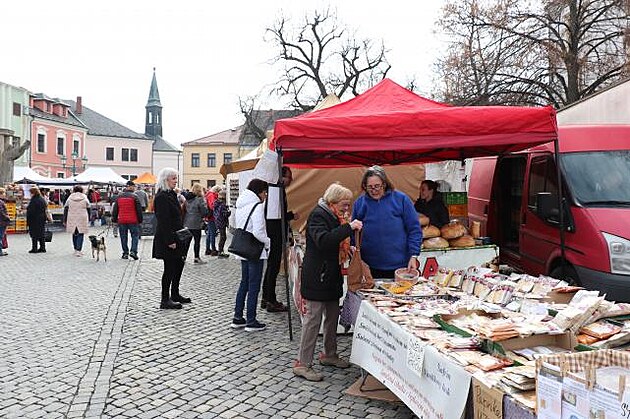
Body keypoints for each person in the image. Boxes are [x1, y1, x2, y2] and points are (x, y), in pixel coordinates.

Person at [293, 183, 363, 382]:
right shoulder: (318, 215)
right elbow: (323, 240)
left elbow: (335, 240)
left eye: (348, 205)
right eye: (344, 204)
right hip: (317, 276)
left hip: (330, 275)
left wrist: (346, 246)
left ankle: (329, 354)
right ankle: (302, 363)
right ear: (332, 201)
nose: (346, 209)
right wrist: (348, 228)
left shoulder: (334, 215)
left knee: (332, 316)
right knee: (313, 320)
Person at [352, 165, 422, 278]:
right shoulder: (360, 203)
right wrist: (354, 252)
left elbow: (414, 229)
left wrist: (413, 256)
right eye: (370, 187)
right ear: (364, 186)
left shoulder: (401, 199)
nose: (374, 190)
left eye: (377, 186)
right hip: (369, 265)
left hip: (400, 265)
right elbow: (353, 233)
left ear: (384, 184)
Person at [231, 179, 270, 332]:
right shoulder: (257, 206)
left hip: (243, 248)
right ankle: (251, 321)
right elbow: (258, 232)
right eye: (264, 192)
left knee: (244, 283)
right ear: (259, 191)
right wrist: (268, 243)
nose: (265, 196)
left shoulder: (241, 203)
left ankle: (238, 317)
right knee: (254, 286)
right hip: (254, 250)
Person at [152, 168, 191, 310]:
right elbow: (163, 220)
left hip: (177, 235)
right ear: (165, 179)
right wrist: (170, 241)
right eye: (173, 178)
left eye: (176, 178)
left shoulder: (171, 194)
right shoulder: (162, 196)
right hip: (168, 238)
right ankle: (164, 299)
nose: (176, 181)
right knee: (169, 269)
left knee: (178, 266)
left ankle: (175, 294)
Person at [262, 166, 299, 313]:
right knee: (273, 267)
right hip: (274, 235)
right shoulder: (275, 190)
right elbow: (275, 216)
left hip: (275, 233)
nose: (291, 180)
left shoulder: (276, 190)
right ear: (282, 177)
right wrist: (289, 216)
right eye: (289, 177)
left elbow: (277, 214)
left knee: (272, 267)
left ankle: (267, 298)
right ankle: (270, 299)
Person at [112, 181, 143, 260]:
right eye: (133, 186)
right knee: (135, 236)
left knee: (123, 237)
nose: (134, 188)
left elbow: (115, 209)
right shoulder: (135, 197)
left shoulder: (119, 197)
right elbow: (138, 210)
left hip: (122, 220)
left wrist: (114, 219)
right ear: (130, 187)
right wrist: (140, 220)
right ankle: (133, 251)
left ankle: (125, 253)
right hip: (133, 220)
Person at [182, 183, 209, 264]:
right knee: (197, 242)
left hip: (187, 223)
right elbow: (204, 212)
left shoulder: (187, 199)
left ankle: (183, 257)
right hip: (196, 224)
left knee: (187, 242)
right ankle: (196, 258)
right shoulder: (199, 199)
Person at [64, 185, 90, 257]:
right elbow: (88, 206)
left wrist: (64, 219)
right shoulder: (84, 197)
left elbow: (66, 208)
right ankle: (79, 250)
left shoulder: (70, 197)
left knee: (74, 232)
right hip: (82, 216)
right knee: (80, 233)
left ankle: (75, 249)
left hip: (72, 216)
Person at [26, 186, 48, 254]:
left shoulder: (34, 200)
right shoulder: (42, 199)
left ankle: (34, 248)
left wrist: (28, 220)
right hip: (42, 218)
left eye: (30, 193)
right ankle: (42, 247)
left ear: (33, 193)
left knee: (34, 234)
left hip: (34, 219)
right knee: (41, 234)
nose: (30, 194)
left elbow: (31, 211)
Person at [204, 185, 222, 256]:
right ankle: (213, 250)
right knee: (212, 234)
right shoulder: (212, 195)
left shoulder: (209, 194)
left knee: (209, 234)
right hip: (212, 217)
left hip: (210, 216)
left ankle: (208, 249)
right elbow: (212, 206)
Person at [213, 189, 230, 258]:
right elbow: (224, 214)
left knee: (222, 237)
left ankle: (221, 251)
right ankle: (221, 252)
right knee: (223, 237)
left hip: (218, 221)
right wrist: (229, 212)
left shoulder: (216, 203)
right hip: (222, 222)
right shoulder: (222, 204)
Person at [0, 187, 10, 256]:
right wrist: (7, 217)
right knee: (0, 236)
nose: (5, 194)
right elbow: (1, 212)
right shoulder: (0, 202)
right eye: (4, 193)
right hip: (1, 222)